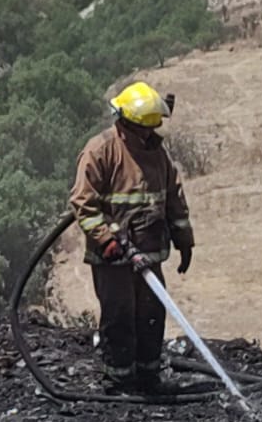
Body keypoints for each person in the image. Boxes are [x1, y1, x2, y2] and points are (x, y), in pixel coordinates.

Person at [68, 81, 195, 394]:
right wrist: (107, 240)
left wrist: (184, 239)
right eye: (143, 129)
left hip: (149, 255)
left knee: (151, 316)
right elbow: (83, 204)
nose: (148, 136)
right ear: (124, 122)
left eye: (152, 129)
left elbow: (173, 198)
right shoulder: (101, 151)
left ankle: (148, 377)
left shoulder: (157, 155)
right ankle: (120, 380)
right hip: (113, 260)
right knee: (120, 316)